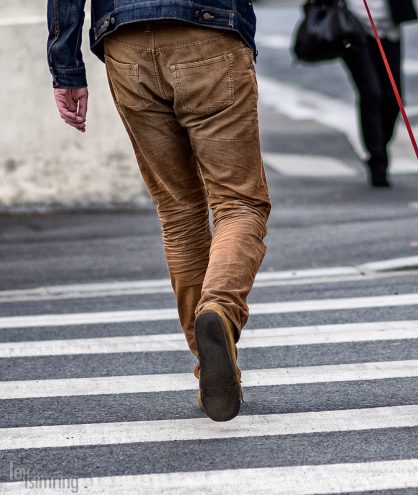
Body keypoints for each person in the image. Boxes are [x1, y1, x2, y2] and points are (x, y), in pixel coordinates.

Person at [46, 1, 272, 422]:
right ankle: (219, 310)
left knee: (179, 212)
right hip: (208, 32)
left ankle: (210, 365)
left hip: (125, 42)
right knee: (238, 203)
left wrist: (67, 68)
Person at [343, 0, 418, 187]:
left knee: (394, 100)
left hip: (389, 30)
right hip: (353, 30)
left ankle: (379, 146)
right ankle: (377, 161)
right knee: (371, 93)